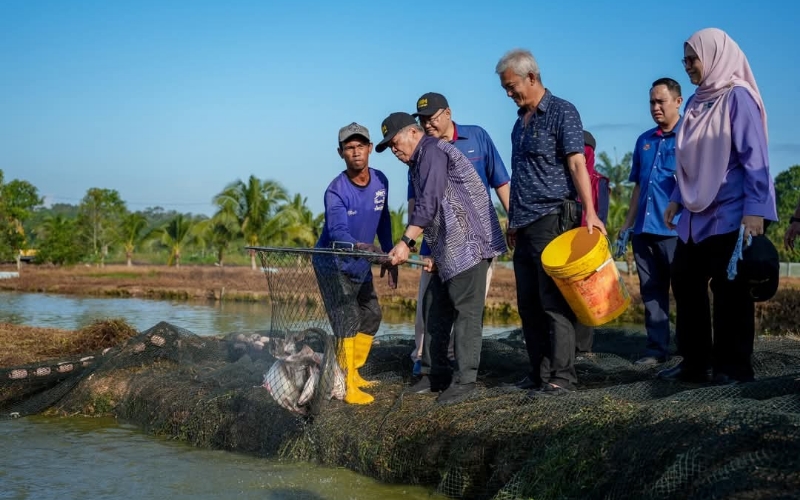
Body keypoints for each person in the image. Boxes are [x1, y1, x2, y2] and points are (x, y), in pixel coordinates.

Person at [659, 28, 777, 385]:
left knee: (730, 290)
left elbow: (754, 157)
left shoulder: (737, 97)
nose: (688, 67)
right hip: (696, 215)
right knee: (684, 281)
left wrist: (755, 210)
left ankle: (733, 367)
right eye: (685, 60)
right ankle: (695, 362)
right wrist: (678, 197)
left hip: (731, 211)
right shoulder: (695, 101)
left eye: (692, 59)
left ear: (713, 56)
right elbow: (689, 159)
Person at [495, 48, 606, 396]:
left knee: (553, 302)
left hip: (553, 218)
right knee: (528, 304)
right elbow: (519, 175)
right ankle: (538, 372)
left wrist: (590, 211)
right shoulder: (518, 124)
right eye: (505, 89)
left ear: (531, 77)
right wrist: (512, 221)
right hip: (524, 223)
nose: (509, 93)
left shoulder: (563, 111)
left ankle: (563, 376)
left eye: (512, 86)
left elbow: (577, 165)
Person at [376, 112, 506, 404]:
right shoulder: (417, 161)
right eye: (390, 148)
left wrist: (406, 242)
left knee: (465, 314)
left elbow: (431, 200)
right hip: (445, 247)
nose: (395, 151)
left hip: (471, 245)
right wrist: (432, 251)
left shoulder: (432, 150)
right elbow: (434, 210)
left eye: (395, 143)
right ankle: (433, 375)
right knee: (433, 309)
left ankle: (464, 380)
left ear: (412, 133)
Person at [407, 92, 511, 377]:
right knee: (429, 308)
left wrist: (514, 221)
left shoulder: (477, 138)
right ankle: (423, 361)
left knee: (468, 309)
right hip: (438, 244)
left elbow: (501, 181)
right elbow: (416, 202)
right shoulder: (422, 152)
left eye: (432, 118)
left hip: (477, 244)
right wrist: (417, 244)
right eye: (422, 120)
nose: (428, 124)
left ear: (448, 113)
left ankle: (461, 367)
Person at [314, 122, 394, 405]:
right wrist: (362, 247)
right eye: (350, 148)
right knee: (346, 320)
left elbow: (383, 219)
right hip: (332, 263)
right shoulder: (335, 190)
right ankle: (345, 384)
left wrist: (388, 252)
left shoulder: (381, 180)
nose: (356, 152)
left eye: (361, 146)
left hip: (361, 262)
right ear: (341, 153)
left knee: (371, 315)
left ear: (370, 149)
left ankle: (354, 371)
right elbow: (337, 233)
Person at [618, 78, 683, 366]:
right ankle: (657, 349)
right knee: (652, 292)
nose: (655, 107)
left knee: (684, 291)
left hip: (676, 231)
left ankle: (688, 349)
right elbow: (638, 187)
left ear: (678, 102)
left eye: (661, 102)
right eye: (651, 102)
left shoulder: (689, 138)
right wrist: (627, 225)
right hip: (643, 232)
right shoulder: (644, 141)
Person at [574, 130, 608, 355]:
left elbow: (601, 216)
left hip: (587, 246)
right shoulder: (566, 181)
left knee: (585, 298)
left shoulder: (598, 182)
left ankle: (583, 350)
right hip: (568, 245)